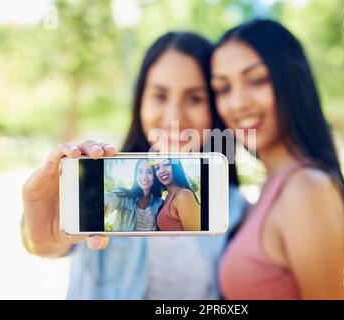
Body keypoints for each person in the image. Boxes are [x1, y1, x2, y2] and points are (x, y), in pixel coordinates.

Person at [21, 31, 249, 299]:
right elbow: (46, 244)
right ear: (140, 100)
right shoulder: (106, 184)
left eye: (194, 98)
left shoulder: (235, 211)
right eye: (160, 96)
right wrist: (39, 234)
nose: (174, 116)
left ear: (215, 109)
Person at [211, 19, 344, 299]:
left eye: (257, 80)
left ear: (291, 82)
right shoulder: (270, 187)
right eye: (223, 89)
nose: (238, 103)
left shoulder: (307, 190)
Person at [105, 159, 164, 231]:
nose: (144, 176)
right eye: (140, 171)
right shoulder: (123, 196)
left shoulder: (160, 203)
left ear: (155, 176)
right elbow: (108, 201)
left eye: (149, 172)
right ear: (135, 175)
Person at [154, 158, 200, 231]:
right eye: (157, 168)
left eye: (166, 164)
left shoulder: (183, 195)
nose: (161, 170)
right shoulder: (167, 198)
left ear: (176, 166)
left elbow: (196, 237)